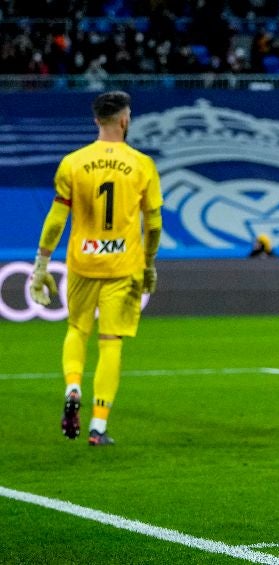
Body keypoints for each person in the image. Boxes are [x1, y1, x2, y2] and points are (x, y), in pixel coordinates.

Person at [29, 91, 163, 446]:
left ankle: (73, 385)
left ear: (96, 121)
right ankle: (98, 427)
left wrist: (41, 263)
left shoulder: (73, 162)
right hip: (124, 265)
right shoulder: (142, 164)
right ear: (124, 120)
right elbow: (154, 224)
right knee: (110, 342)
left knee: (77, 328)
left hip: (83, 261)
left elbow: (57, 217)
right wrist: (149, 264)